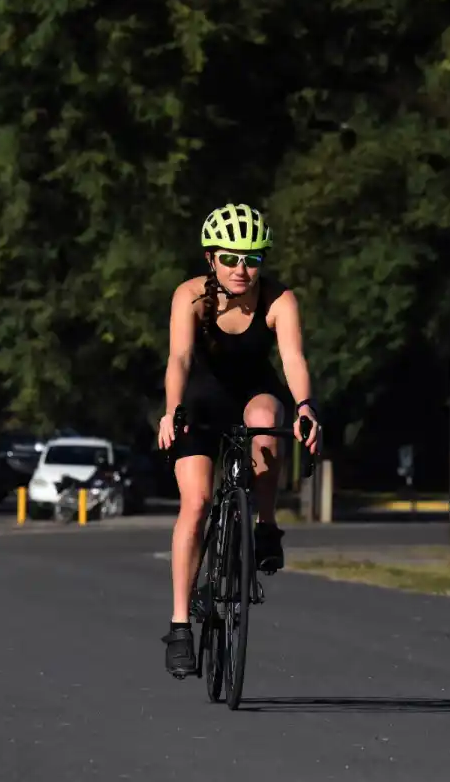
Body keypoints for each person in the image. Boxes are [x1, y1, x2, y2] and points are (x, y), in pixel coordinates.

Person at [157, 202, 322, 677]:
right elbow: (180, 359)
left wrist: (307, 406)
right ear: (211, 258)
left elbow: (292, 359)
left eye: (251, 259)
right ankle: (180, 626)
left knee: (270, 416)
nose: (240, 269)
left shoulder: (278, 300)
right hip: (202, 402)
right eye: (230, 258)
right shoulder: (189, 297)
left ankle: (265, 526)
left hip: (253, 394)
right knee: (197, 502)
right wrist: (172, 410)